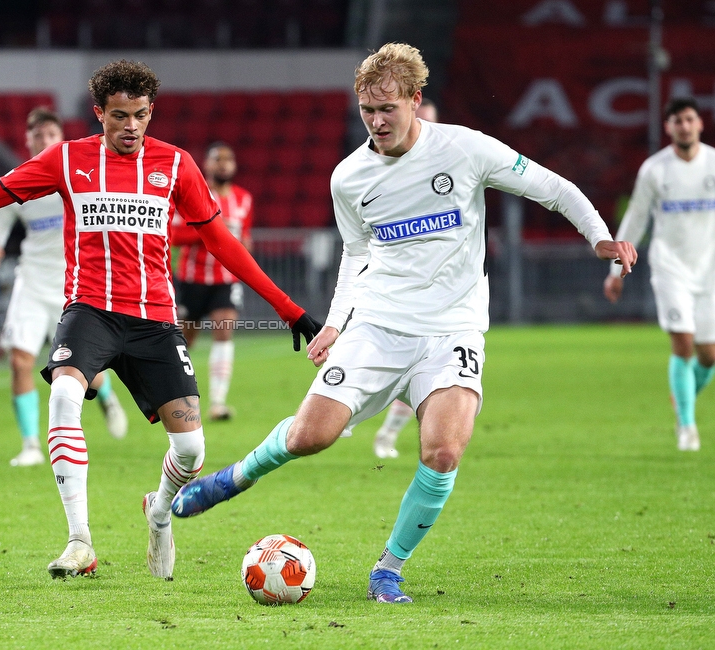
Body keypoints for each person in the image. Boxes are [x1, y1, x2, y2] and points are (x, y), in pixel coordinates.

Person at [171, 43, 636, 604]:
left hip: (453, 331)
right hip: (377, 327)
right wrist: (337, 323)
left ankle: (388, 568)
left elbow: (554, 188)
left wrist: (599, 236)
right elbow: (354, 253)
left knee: (443, 451)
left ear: (416, 100)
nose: (376, 120)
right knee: (308, 436)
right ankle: (235, 475)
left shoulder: (466, 149)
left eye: (388, 108)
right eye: (367, 110)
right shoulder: (350, 177)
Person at [0, 59, 321, 582]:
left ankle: (158, 513)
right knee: (64, 394)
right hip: (88, 309)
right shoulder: (66, 161)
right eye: (118, 116)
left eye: (139, 115)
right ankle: (79, 542)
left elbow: (221, 241)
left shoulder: (176, 165)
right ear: (98, 113)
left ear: (151, 111)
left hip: (155, 319)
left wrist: (286, 307)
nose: (130, 126)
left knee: (191, 449)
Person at [0, 107, 128, 468]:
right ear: (28, 140)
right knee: (19, 362)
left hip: (73, 285)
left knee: (82, 371)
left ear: (60, 137)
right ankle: (31, 444)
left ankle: (107, 397)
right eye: (38, 135)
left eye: (51, 134)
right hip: (31, 281)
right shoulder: (20, 179)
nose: (44, 140)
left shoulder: (81, 174)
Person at [604, 97, 715, 452]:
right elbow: (636, 219)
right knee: (683, 344)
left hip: (710, 268)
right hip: (670, 267)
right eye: (677, 121)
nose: (684, 126)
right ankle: (687, 427)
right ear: (668, 128)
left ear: (699, 123)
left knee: (709, 354)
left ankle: (682, 394)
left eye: (689, 119)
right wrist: (615, 271)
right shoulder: (655, 169)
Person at [370, 97, 438, 459]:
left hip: (434, 299)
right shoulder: (372, 171)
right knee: (383, 368)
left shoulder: (448, 170)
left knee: (421, 377)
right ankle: (342, 406)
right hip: (387, 291)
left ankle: (385, 436)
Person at [170, 141, 254, 421]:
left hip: (226, 279)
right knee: (184, 342)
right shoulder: (193, 194)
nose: (224, 164)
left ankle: (218, 403)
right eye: (218, 159)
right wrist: (209, 232)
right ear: (206, 164)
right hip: (192, 278)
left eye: (229, 159)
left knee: (224, 332)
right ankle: (173, 396)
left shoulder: (244, 199)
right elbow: (174, 235)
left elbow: (247, 239)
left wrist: (241, 245)